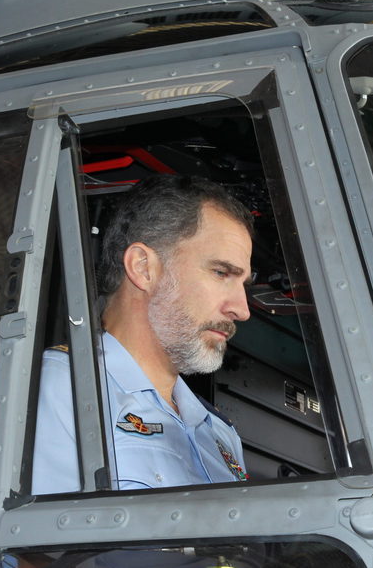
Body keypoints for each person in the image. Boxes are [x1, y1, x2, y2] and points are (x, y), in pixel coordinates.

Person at [32, 174, 254, 494]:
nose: (242, 310)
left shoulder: (218, 433)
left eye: (243, 284)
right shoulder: (63, 391)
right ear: (142, 268)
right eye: (221, 273)